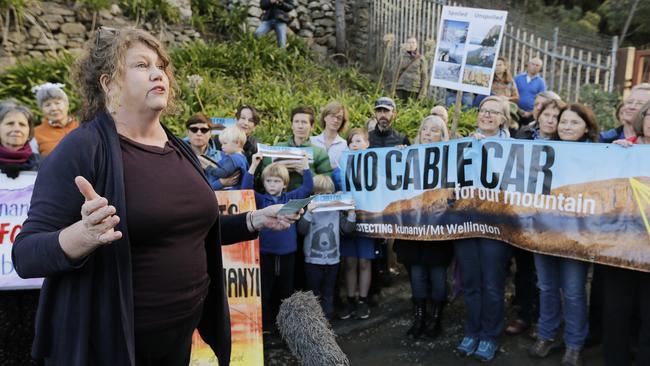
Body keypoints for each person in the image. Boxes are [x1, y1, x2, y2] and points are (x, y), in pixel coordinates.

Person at [11, 27, 300, 366]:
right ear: (108, 84)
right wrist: (83, 235)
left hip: (179, 336)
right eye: (141, 65)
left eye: (161, 65)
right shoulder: (81, 149)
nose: (157, 73)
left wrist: (254, 220)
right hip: (112, 346)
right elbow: (26, 255)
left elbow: (188, 229)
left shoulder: (178, 147)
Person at [528, 103, 598, 366]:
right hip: (543, 231)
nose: (567, 127)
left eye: (574, 122)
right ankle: (547, 335)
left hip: (576, 237)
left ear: (587, 127)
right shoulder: (544, 151)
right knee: (546, 287)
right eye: (564, 122)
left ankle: (574, 344)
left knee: (573, 291)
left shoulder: (601, 154)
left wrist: (623, 150)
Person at [455, 96, 513, 361]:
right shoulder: (464, 144)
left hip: (496, 226)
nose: (487, 115)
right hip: (466, 222)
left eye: (494, 112)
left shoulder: (515, 147)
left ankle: (489, 334)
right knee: (470, 281)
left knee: (491, 283)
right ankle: (472, 330)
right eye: (483, 111)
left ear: (503, 119)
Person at [393, 115, 453, 340]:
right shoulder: (407, 156)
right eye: (425, 129)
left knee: (437, 275)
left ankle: (436, 318)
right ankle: (419, 316)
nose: (428, 133)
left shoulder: (449, 160)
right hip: (412, 228)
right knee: (416, 273)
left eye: (434, 130)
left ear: (443, 135)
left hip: (438, 229)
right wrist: (395, 157)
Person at [242, 153, 313, 333]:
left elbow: (307, 188)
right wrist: (253, 166)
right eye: (269, 181)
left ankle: (286, 326)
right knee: (265, 289)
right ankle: (265, 324)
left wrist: (305, 166)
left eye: (276, 181)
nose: (272, 185)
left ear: (285, 184)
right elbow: (244, 189)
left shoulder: (291, 199)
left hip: (288, 252)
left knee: (286, 290)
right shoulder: (259, 200)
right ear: (264, 183)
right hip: (265, 252)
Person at [603, 101, 650, 365]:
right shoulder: (622, 149)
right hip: (620, 245)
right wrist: (615, 157)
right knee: (616, 312)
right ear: (643, 117)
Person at [0, 99, 40, 366]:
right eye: (9, 123)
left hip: (35, 277)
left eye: (22, 123)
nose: (16, 128)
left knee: (36, 342)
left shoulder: (45, 166)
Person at [297, 175, 355, 320]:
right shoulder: (309, 210)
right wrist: (309, 212)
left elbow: (348, 229)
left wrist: (351, 212)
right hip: (312, 262)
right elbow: (301, 230)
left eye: (327, 194)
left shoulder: (337, 211)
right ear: (312, 195)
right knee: (313, 293)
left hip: (333, 261)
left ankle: (327, 319)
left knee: (329, 292)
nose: (323, 197)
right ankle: (314, 321)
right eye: (319, 194)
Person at [339, 128, 376, 320]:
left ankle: (363, 300)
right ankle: (351, 299)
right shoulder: (341, 167)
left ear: (367, 144)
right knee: (350, 262)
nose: (355, 144)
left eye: (359, 141)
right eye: (351, 142)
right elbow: (337, 188)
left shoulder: (375, 166)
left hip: (368, 220)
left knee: (364, 262)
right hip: (349, 220)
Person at [266, 106, 332, 191]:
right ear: (292, 125)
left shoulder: (319, 153)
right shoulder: (277, 147)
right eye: (296, 122)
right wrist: (279, 170)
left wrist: (306, 171)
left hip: (309, 200)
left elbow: (328, 184)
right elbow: (264, 175)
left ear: (312, 127)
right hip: (280, 199)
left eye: (304, 122)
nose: (300, 126)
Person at [31, 82, 79, 156]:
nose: (53, 108)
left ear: (67, 105)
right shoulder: (36, 133)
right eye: (47, 105)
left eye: (57, 103)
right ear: (41, 109)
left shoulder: (82, 127)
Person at [205, 126, 249, 190]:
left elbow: (224, 173)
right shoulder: (243, 158)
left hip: (229, 192)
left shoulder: (233, 159)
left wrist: (209, 168)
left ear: (237, 143)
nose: (222, 147)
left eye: (225, 143)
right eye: (222, 144)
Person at [310, 101, 349, 168]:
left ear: (342, 122)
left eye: (339, 118)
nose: (335, 120)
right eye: (332, 116)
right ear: (325, 117)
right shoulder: (312, 141)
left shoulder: (345, 145)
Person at [394, 36, 428, 101]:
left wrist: (422, 93)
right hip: (401, 87)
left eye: (413, 42)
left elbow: (424, 77)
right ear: (406, 44)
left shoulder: (421, 59)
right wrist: (392, 90)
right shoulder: (401, 57)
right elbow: (395, 74)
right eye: (409, 42)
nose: (411, 44)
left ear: (416, 44)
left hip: (414, 89)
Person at [515, 57, 546, 126]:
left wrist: (530, 113)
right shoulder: (517, 78)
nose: (534, 67)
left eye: (537, 65)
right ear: (528, 65)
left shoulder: (541, 82)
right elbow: (512, 94)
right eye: (533, 64)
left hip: (532, 114)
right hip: (516, 111)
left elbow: (542, 99)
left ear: (540, 68)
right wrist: (519, 110)